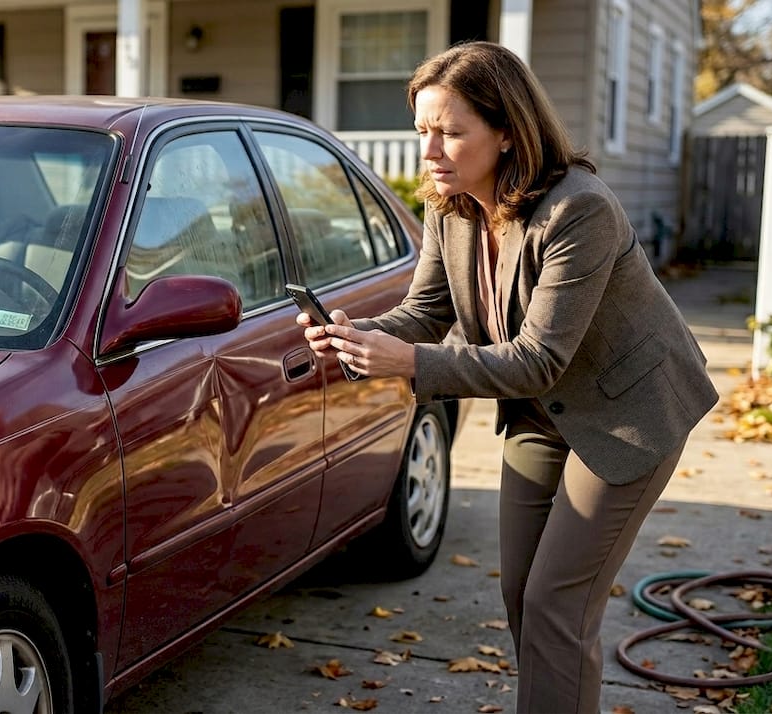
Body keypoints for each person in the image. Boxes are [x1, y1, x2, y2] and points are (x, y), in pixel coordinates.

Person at [298, 41, 718, 714]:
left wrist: (409, 363)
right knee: (524, 593)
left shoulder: (579, 210)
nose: (429, 152)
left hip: (627, 413)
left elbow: (538, 357)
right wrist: (365, 335)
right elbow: (428, 310)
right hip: (537, 411)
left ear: (506, 131)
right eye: (422, 132)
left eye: (450, 134)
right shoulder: (451, 202)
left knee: (556, 602)